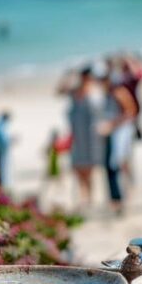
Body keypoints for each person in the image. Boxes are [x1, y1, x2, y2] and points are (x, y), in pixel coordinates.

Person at [60, 66, 104, 207]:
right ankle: (84, 195)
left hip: (91, 134)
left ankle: (89, 196)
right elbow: (59, 90)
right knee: (78, 166)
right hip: (77, 134)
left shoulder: (96, 91)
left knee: (90, 167)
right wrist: (68, 76)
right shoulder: (75, 91)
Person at [100, 71, 138, 216]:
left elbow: (130, 112)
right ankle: (117, 200)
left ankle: (122, 199)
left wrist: (112, 125)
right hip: (111, 135)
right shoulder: (107, 94)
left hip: (120, 136)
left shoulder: (119, 92)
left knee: (117, 165)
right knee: (112, 166)